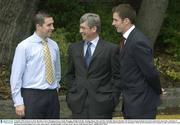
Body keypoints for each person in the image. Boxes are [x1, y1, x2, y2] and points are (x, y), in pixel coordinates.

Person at [65, 13, 121, 119]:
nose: (80, 31)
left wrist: (113, 100)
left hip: (102, 106)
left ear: (94, 28)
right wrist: (71, 95)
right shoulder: (73, 48)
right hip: (78, 105)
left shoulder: (111, 49)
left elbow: (117, 77)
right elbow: (70, 74)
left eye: (83, 28)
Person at [112, 4, 162, 119]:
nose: (113, 23)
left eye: (115, 20)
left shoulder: (138, 41)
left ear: (126, 21)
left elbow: (150, 72)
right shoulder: (128, 39)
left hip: (141, 106)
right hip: (132, 104)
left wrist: (158, 90)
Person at [10, 11, 61, 119]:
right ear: (38, 26)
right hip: (32, 97)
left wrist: (56, 89)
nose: (52, 27)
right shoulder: (24, 46)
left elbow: (57, 71)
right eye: (49, 25)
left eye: (52, 24)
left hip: (52, 97)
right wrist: (18, 102)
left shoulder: (54, 45)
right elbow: (16, 76)